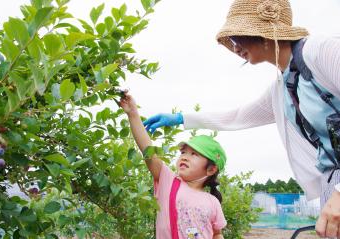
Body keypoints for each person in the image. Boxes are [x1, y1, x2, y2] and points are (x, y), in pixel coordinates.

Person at [143, 0, 340, 238]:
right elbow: (238, 116)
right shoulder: (282, 88)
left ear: (263, 33)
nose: (235, 47)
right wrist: (182, 118)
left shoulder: (321, 51)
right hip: (332, 179)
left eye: (238, 37)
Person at [119, 92, 227, 239]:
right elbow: (147, 149)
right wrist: (133, 113)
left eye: (194, 154)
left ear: (211, 169)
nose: (185, 157)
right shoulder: (169, 181)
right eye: (183, 152)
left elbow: (217, 234)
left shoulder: (212, 202)